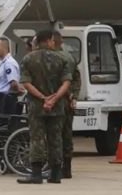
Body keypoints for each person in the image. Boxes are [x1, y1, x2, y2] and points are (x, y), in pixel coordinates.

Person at [17, 30, 72, 185]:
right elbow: (67, 82)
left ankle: (36, 174)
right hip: (57, 107)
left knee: (36, 139)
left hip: (37, 106)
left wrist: (43, 98)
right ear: (48, 40)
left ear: (38, 41)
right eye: (53, 40)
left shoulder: (28, 59)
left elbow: (26, 83)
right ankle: (55, 174)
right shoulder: (62, 58)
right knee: (56, 139)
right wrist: (55, 98)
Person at [50, 31, 80, 179]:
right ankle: (66, 168)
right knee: (66, 135)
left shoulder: (54, 58)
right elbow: (76, 79)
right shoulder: (70, 58)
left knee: (55, 135)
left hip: (56, 100)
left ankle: (55, 167)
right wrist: (74, 96)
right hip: (67, 101)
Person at [0, 37, 23, 115]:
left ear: (4, 48)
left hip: (6, 99)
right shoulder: (2, 62)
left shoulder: (9, 63)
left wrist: (19, 90)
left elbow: (13, 83)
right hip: (1, 98)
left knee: (4, 123)